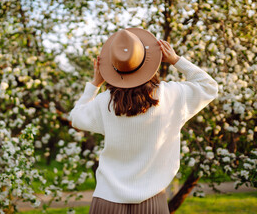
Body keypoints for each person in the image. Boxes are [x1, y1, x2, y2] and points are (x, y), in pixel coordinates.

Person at [69, 28, 219, 214]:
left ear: (113, 68)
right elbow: (209, 86)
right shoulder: (171, 96)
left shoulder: (105, 102)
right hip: (152, 200)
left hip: (107, 200)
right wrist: (175, 60)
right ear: (148, 61)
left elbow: (75, 118)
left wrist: (94, 85)